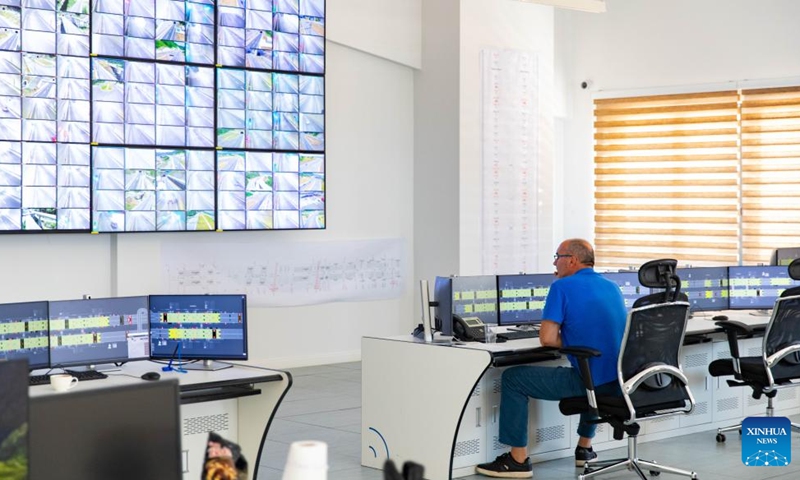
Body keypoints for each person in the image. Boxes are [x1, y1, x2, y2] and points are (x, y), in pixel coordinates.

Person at [476, 239, 627, 478]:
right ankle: (584, 450)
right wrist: (578, 337)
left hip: (591, 382)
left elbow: (546, 339)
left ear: (572, 260)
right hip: (618, 381)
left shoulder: (562, 287)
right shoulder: (612, 286)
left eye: (557, 256)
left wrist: (569, 338)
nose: (555, 263)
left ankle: (517, 460)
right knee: (590, 371)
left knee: (514, 378)